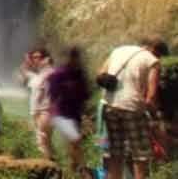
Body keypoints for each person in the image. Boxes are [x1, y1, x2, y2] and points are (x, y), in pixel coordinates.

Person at [98, 38, 166, 179]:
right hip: (132, 107)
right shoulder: (152, 61)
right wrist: (156, 117)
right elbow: (151, 96)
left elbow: (100, 74)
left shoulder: (118, 51)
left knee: (115, 154)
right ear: (156, 51)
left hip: (109, 106)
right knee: (140, 156)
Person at [47, 46, 90, 179]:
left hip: (74, 114)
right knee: (75, 139)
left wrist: (85, 114)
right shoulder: (58, 74)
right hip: (60, 114)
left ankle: (71, 171)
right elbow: (52, 95)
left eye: (76, 57)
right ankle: (83, 171)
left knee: (73, 144)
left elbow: (85, 94)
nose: (75, 60)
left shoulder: (79, 74)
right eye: (73, 57)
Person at [19, 45, 55, 161]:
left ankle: (48, 167)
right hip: (39, 112)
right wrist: (26, 61)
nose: (35, 60)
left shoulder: (49, 73)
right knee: (45, 141)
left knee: (42, 141)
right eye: (33, 57)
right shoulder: (37, 75)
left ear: (45, 58)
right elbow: (24, 72)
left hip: (45, 112)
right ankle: (52, 164)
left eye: (38, 57)